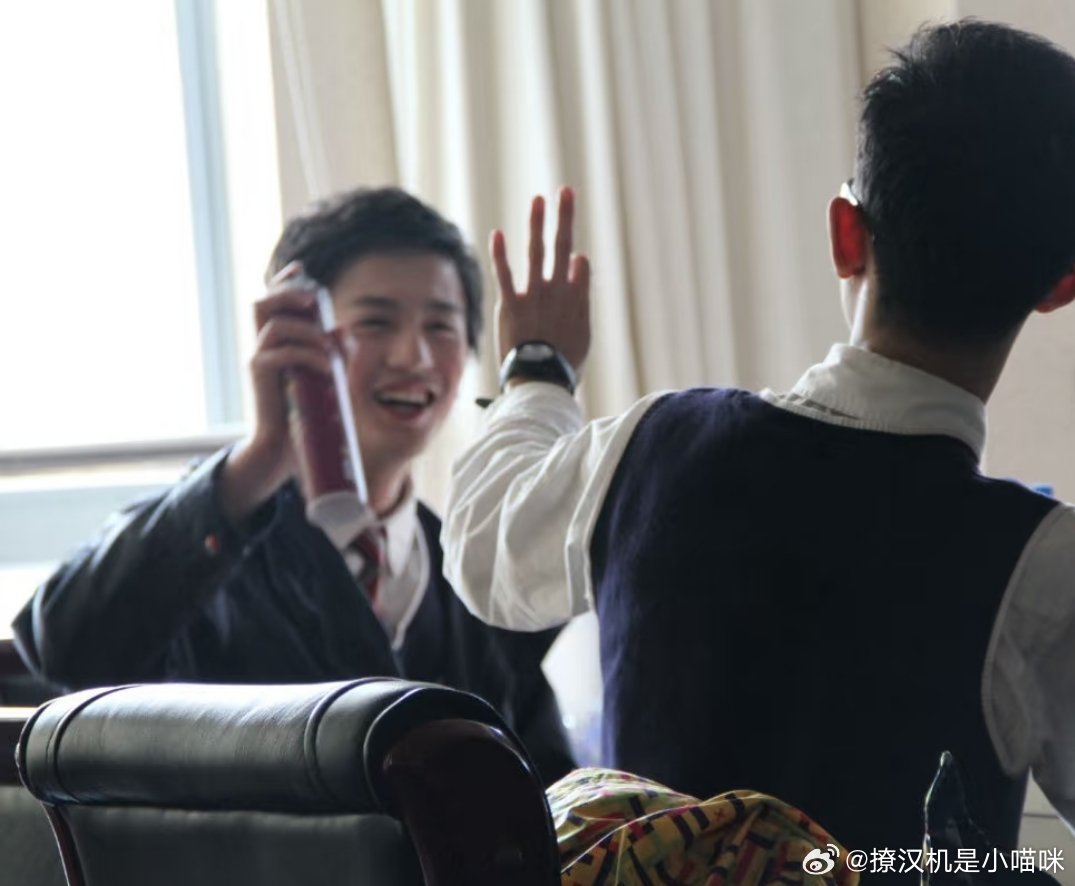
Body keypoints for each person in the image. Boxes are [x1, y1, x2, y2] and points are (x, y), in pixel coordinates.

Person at [443, 20, 1075, 857]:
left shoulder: (650, 450)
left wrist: (536, 368)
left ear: (844, 233)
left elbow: (484, 547)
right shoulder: (1042, 569)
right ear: (1059, 286)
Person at [13, 186, 574, 786]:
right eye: (375, 322)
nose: (412, 357)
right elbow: (65, 645)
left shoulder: (470, 571)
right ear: (300, 331)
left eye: (440, 326)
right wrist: (261, 457)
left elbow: (547, 792)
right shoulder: (212, 546)